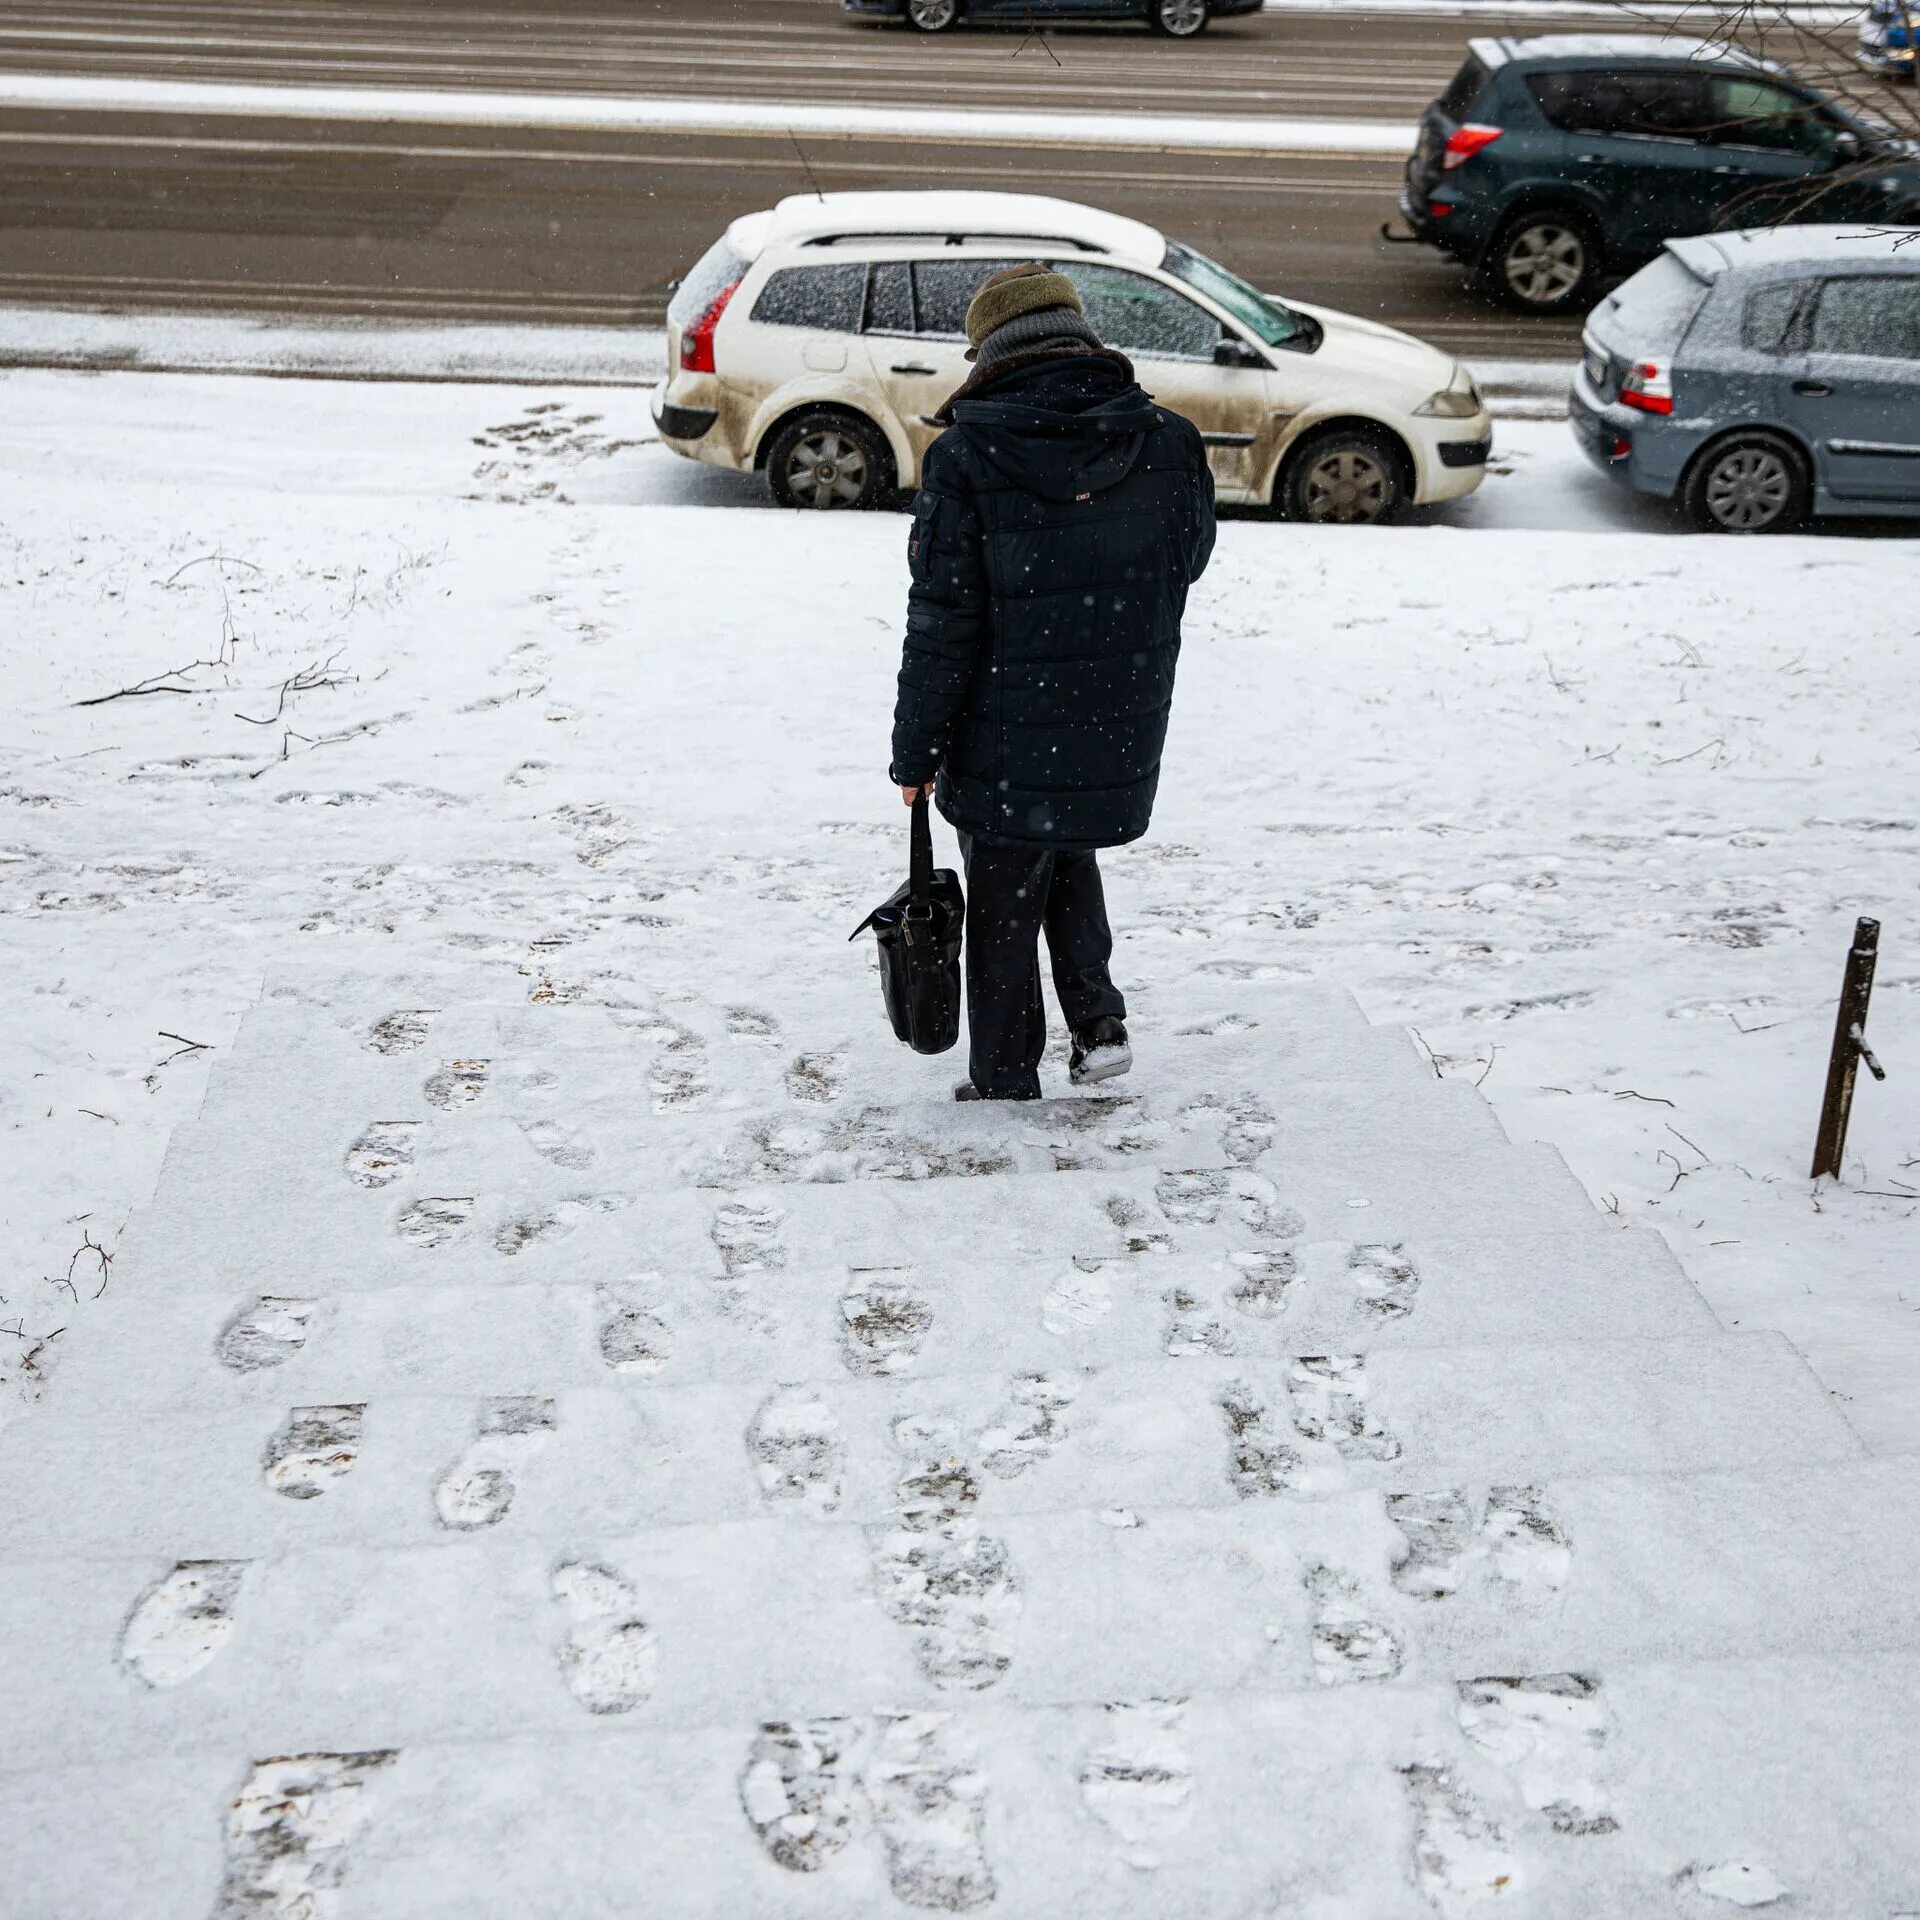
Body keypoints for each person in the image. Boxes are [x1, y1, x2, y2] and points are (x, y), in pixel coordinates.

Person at [889, 263, 1216, 1102]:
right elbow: (1188, 560)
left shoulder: (965, 455)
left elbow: (943, 621)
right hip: (1119, 708)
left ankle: (1003, 1079)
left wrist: (915, 749)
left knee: (1005, 891)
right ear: (1079, 333)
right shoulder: (1168, 439)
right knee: (1064, 840)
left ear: (989, 349)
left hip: (1002, 719)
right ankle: (1098, 1022)